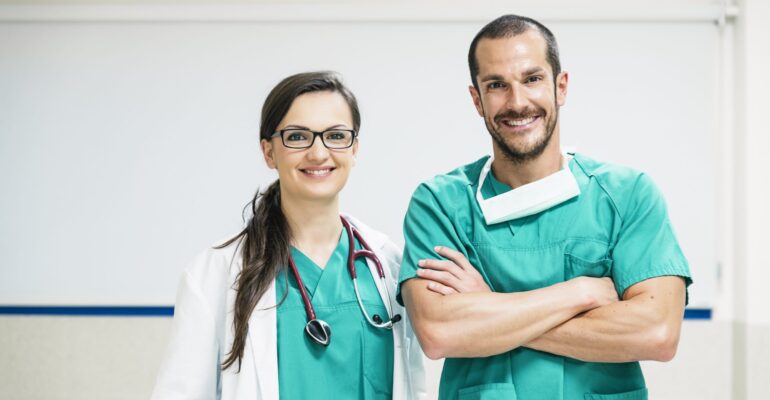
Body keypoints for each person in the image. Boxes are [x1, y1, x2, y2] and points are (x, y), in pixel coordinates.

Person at [398, 15, 692, 400]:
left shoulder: (627, 195)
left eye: (532, 78)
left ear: (561, 86)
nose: (517, 102)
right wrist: (581, 293)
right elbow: (439, 333)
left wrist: (489, 310)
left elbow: (656, 333)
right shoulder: (441, 203)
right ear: (477, 99)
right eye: (496, 85)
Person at [151, 71, 426, 400]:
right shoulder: (215, 274)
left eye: (336, 136)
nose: (318, 153)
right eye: (297, 137)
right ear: (269, 152)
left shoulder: (388, 264)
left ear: (354, 149)